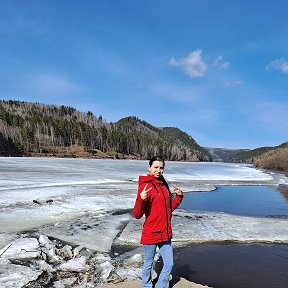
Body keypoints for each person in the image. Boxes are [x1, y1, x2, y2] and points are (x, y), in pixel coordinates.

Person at [132, 156, 184, 288]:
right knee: (149, 263)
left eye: (161, 168)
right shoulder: (145, 186)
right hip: (151, 232)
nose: (158, 170)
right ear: (149, 168)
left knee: (169, 263)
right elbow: (137, 215)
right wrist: (141, 199)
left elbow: (168, 209)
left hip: (165, 232)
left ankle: (161, 285)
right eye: (155, 167)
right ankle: (147, 285)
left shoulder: (163, 185)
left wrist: (179, 196)